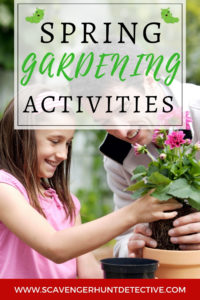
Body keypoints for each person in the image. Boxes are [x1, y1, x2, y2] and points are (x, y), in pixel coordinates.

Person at [0, 97, 182, 279]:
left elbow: (89, 273)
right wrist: (134, 213)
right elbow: (54, 246)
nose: (63, 154)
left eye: (68, 143)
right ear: (22, 136)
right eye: (55, 141)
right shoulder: (5, 189)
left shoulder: (66, 202)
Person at [100, 81, 200, 257]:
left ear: (148, 81)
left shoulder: (195, 107)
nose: (122, 132)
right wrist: (131, 247)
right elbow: (124, 237)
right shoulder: (116, 154)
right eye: (104, 120)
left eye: (122, 108)